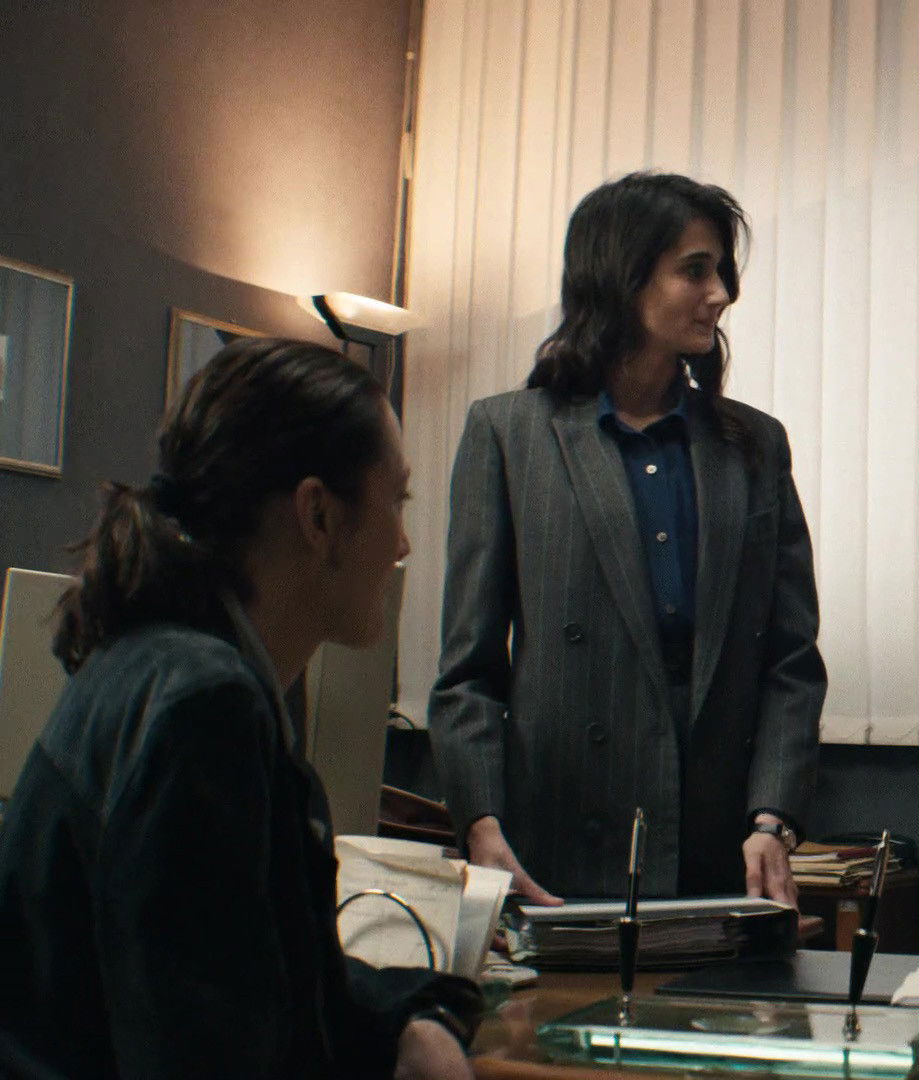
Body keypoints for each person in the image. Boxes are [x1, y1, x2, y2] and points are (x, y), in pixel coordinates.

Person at [0, 339, 480, 1078]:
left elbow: (260, 978)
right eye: (398, 500)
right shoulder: (205, 708)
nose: (404, 542)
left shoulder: (168, 664)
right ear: (318, 515)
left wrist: (409, 1019)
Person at [431, 171, 825, 906]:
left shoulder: (755, 444)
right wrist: (480, 822)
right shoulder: (509, 434)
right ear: (621, 276)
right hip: (554, 843)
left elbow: (791, 662)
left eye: (722, 271)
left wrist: (773, 819)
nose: (721, 294)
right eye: (695, 270)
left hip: (719, 849)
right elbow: (468, 670)